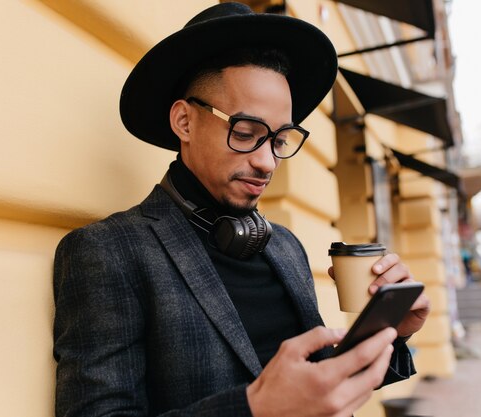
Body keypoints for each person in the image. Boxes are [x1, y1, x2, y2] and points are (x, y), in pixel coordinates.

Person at [53, 3, 430, 417]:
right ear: (184, 122)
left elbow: (318, 379)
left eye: (280, 140)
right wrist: (253, 408)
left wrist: (389, 331)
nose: (268, 162)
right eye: (246, 132)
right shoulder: (108, 252)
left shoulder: (285, 246)